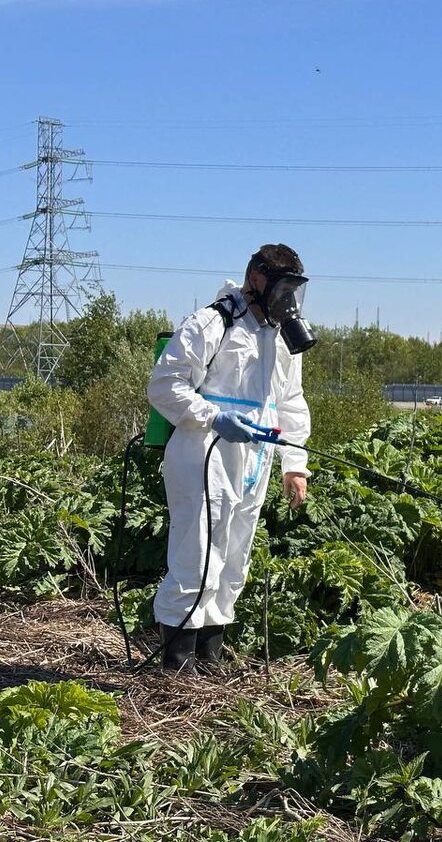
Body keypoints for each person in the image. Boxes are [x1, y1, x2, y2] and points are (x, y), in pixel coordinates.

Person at [147, 244, 315, 673]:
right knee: (197, 554)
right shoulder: (211, 323)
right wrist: (214, 417)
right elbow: (165, 386)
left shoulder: (280, 336)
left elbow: (291, 402)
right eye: (283, 289)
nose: (288, 301)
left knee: (234, 558)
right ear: (256, 279)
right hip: (204, 453)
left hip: (253, 462)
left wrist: (294, 465)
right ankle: (176, 666)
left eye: (294, 290)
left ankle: (209, 658)